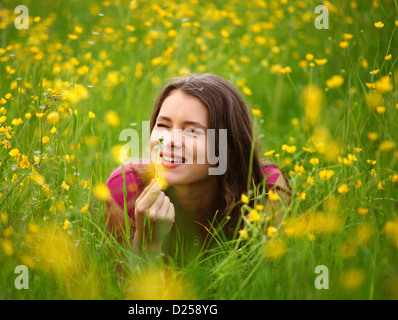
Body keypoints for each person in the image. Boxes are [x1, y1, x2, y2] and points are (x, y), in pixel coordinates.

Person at [89, 73, 291, 258]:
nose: (169, 141)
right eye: (163, 125)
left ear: (226, 146)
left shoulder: (266, 190)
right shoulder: (127, 187)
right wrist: (147, 243)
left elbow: (279, 282)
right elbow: (120, 290)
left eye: (192, 131)